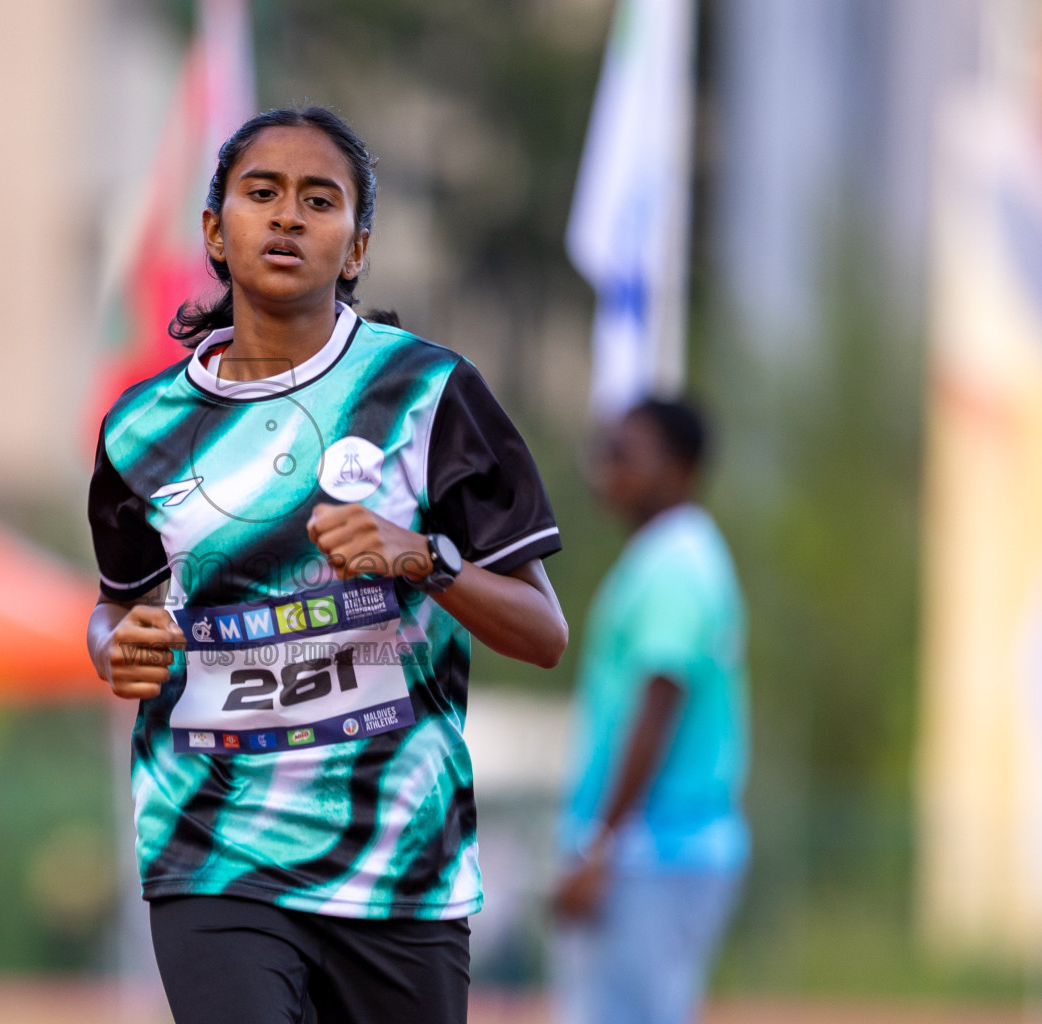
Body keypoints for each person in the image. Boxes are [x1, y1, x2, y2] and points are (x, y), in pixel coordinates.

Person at [85, 106, 569, 1024]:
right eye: (261, 193)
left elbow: (544, 634)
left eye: (320, 200)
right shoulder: (139, 429)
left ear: (356, 249)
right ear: (214, 232)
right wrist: (115, 646)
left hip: (397, 862)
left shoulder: (428, 393)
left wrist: (422, 557)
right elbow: (117, 610)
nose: (288, 217)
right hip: (213, 843)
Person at [549, 397, 749, 1024]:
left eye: (626, 455)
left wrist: (601, 848)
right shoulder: (672, 557)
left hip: (652, 848)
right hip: (653, 846)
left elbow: (657, 709)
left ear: (681, 469)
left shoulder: (675, 566)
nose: (608, 470)